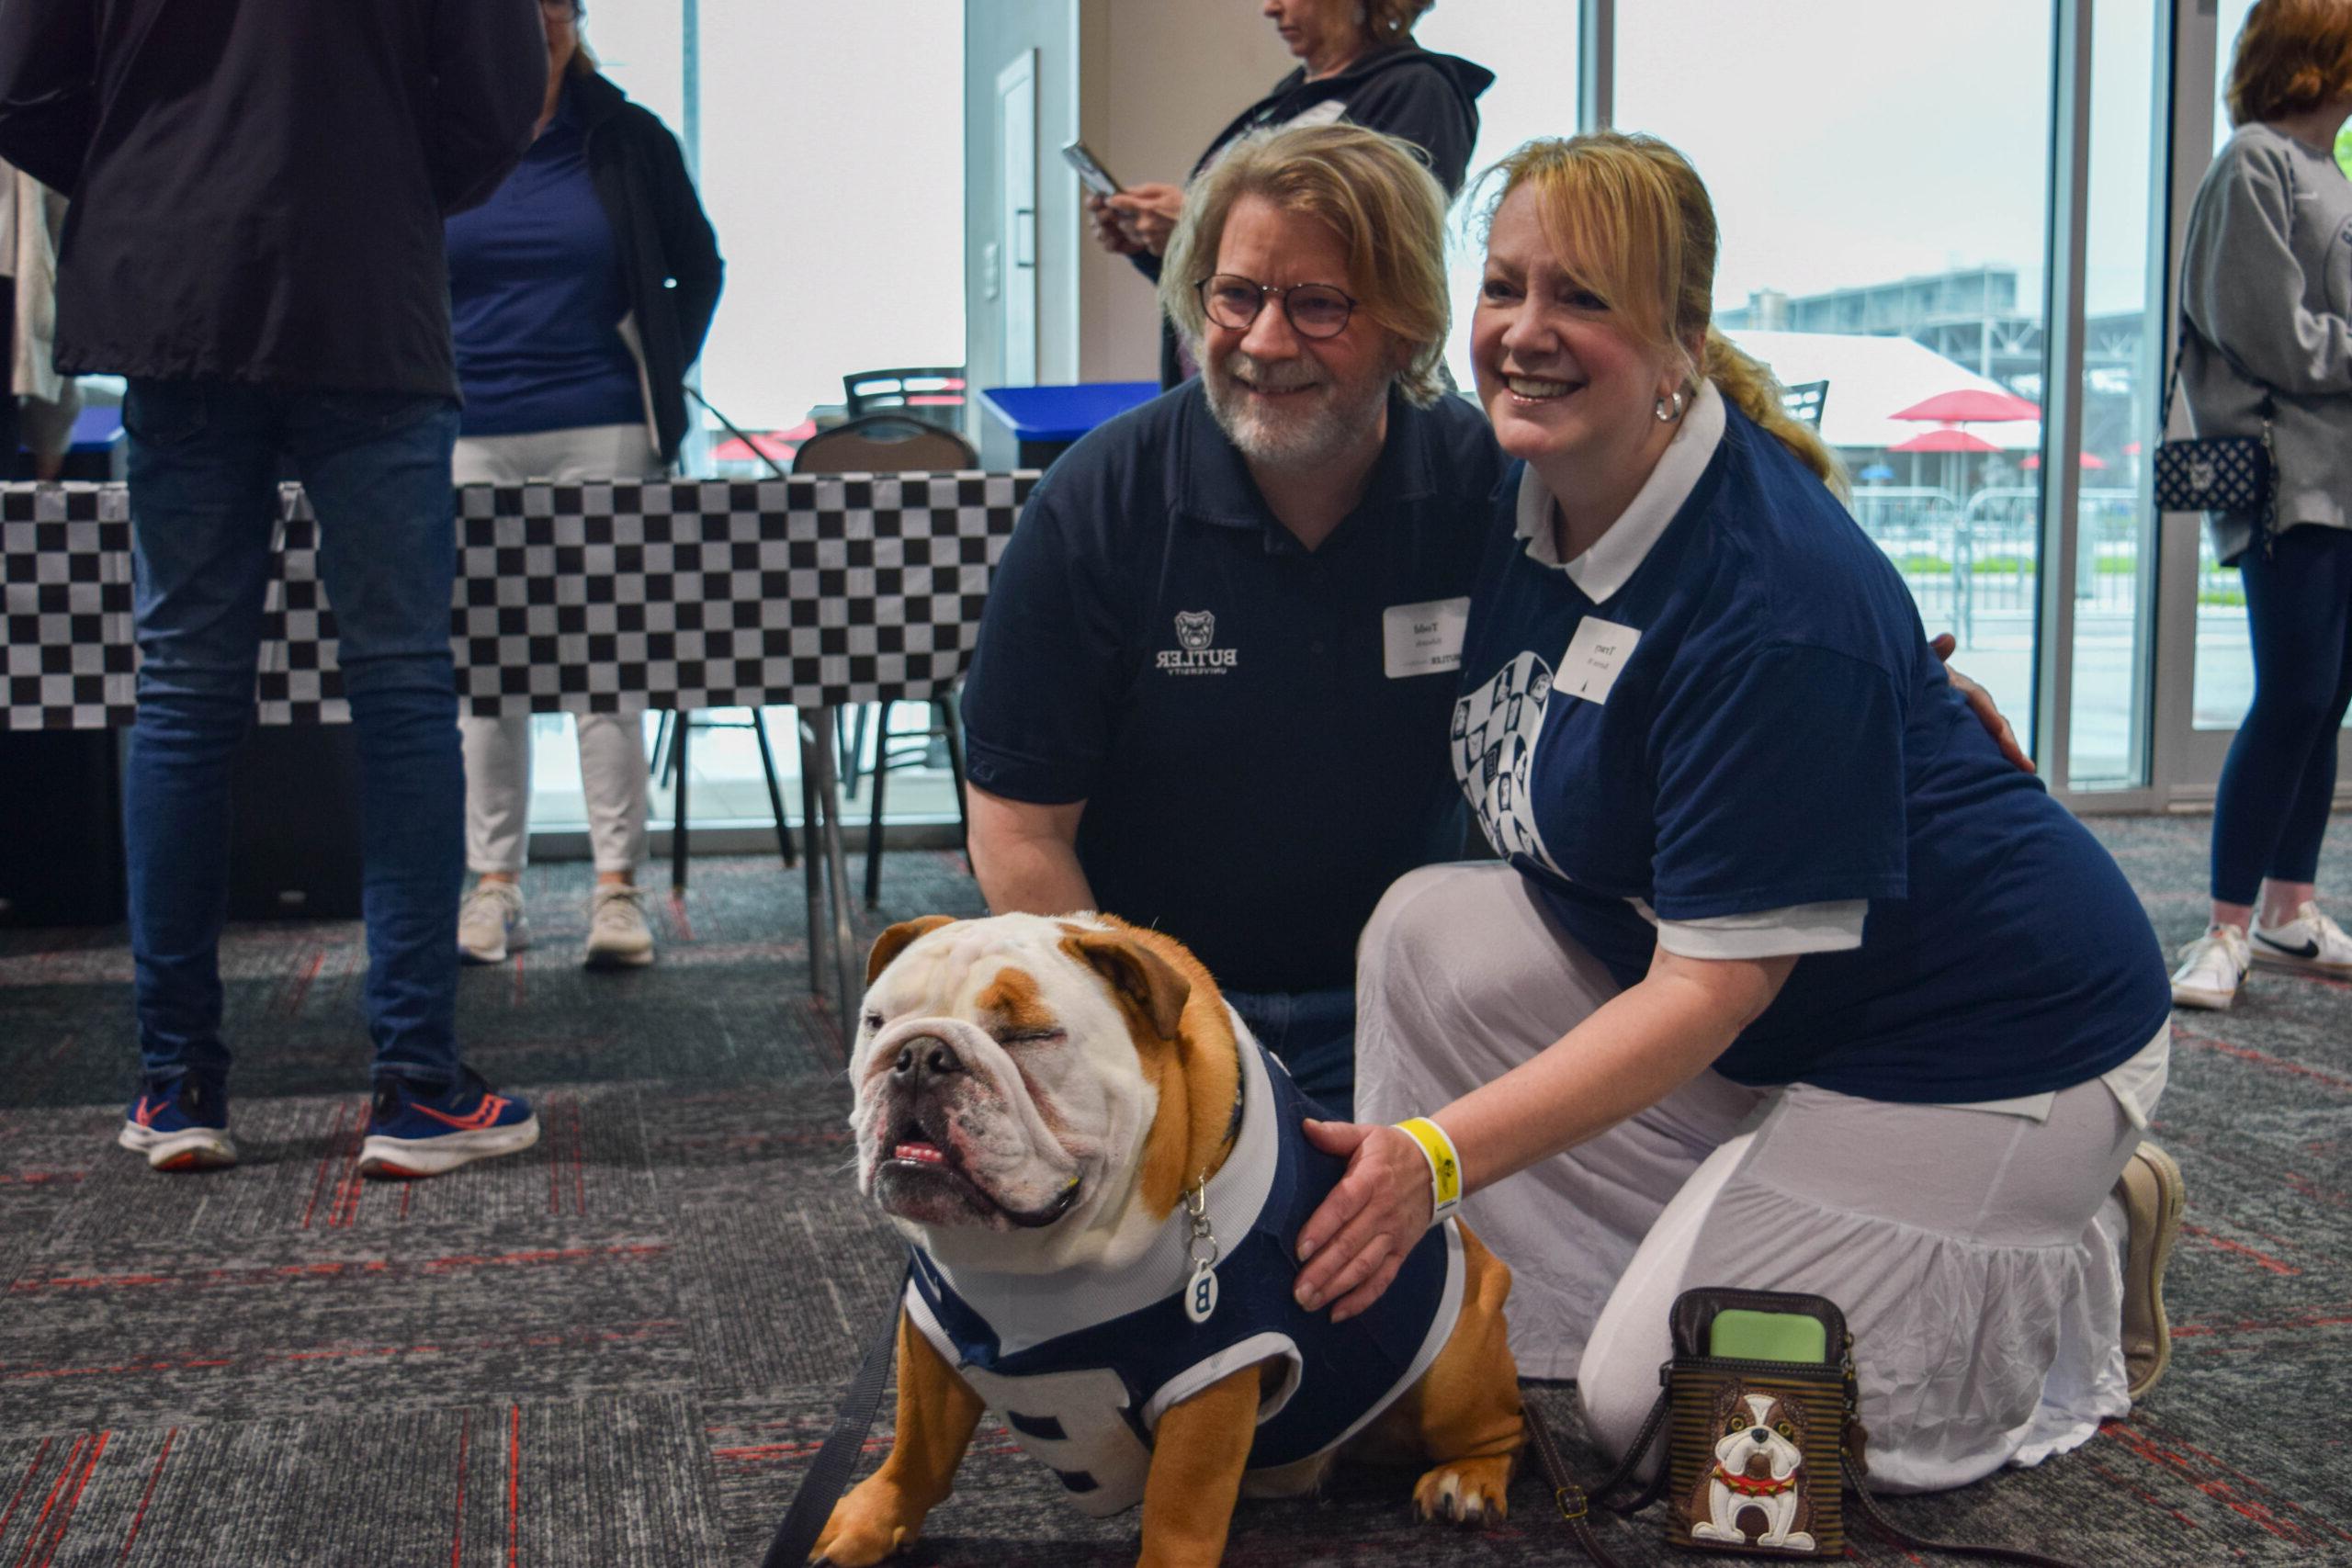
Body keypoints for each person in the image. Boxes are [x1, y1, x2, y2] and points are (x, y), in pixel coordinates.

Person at [1286, 132, 2185, 1495]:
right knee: (1429, 927)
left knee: (1667, 1423)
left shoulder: (1771, 607)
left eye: (1582, 296)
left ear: (1682, 338)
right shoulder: (1526, 482)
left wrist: (1430, 1153)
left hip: (1995, 1040)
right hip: (1799, 1018)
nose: (1525, 333)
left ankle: (2067, 1228)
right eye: (1505, 286)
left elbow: (1707, 992)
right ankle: (1594, 1270)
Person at [0, 0, 549, 1177]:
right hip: (364, 283)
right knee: (402, 691)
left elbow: (21, 89)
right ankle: (415, 1086)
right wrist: (380, 172)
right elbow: (501, 102)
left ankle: (176, 1085)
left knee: (186, 695)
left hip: (168, 290)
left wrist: (157, 161)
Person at [960, 124, 1504, 1121]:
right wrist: (1136, 1025)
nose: (1263, 341)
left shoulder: (1483, 487)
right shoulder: (1099, 504)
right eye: (1237, 294)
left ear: (1407, 324)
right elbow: (1018, 825)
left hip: (1413, 1008)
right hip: (1154, 1005)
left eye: (1318, 304)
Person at [449, 0, 722, 971]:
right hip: (465, 429)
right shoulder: (442, 131)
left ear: (574, 19)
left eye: (552, 7)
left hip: (603, 423)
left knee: (603, 665)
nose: (534, 23)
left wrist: (659, 362)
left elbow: (699, 265)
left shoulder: (627, 137)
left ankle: (616, 893)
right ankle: (495, 888)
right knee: (486, 673)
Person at [2168, 0, 2352, 1011]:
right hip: (2293, 479)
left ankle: (2287, 911)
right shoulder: (2253, 161)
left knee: (2324, 701)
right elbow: (2269, 333)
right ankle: (2226, 928)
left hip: (2344, 479)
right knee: (2291, 696)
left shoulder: (2327, 172)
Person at [1088, 0, 1491, 388]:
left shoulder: (1417, 89)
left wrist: (1190, 223)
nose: (1270, 7)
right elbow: (1244, 270)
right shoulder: (1292, 95)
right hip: (1237, 388)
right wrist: (1157, 245)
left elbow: (1380, 259)